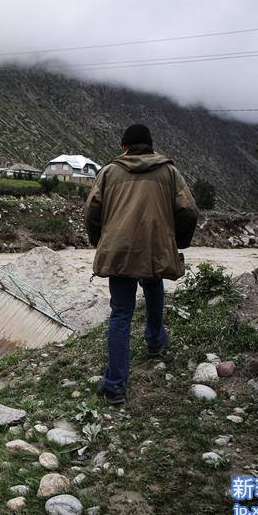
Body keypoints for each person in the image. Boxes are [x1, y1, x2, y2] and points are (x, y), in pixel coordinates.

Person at [84, 124, 199, 405]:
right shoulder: (169, 172)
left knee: (121, 313)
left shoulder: (109, 172)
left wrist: (101, 241)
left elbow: (91, 210)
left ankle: (114, 387)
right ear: (150, 146)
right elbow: (189, 210)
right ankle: (156, 341)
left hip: (120, 250)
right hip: (154, 249)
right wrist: (177, 241)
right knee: (153, 286)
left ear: (124, 147)